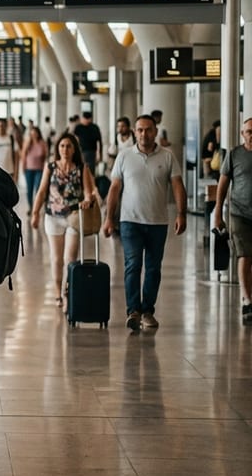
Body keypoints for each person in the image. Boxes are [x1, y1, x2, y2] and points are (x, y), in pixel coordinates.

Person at [103, 115, 186, 333]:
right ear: (134, 132)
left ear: (155, 131)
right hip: (130, 221)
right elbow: (114, 189)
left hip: (157, 222)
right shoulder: (124, 156)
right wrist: (109, 218)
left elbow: (177, 185)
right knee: (132, 265)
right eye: (139, 130)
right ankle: (133, 311)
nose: (143, 134)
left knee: (153, 268)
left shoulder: (167, 157)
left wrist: (182, 213)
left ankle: (148, 310)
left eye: (148, 130)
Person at [31, 133, 99, 307]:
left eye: (69, 146)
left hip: (74, 218)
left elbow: (89, 191)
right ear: (57, 148)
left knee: (70, 258)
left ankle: (67, 291)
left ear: (74, 148)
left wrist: (87, 200)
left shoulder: (82, 168)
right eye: (62, 146)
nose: (65, 149)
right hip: (52, 217)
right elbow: (41, 191)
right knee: (56, 258)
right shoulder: (51, 167)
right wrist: (35, 213)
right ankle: (57, 292)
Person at [214, 118, 252, 324]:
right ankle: (247, 300)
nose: (251, 135)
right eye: (249, 132)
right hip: (240, 213)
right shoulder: (234, 155)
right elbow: (223, 184)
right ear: (242, 133)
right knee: (244, 256)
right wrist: (218, 211)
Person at [19, 126, 49, 213]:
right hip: (29, 169)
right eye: (32, 134)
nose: (34, 135)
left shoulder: (42, 143)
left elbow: (46, 156)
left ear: (38, 134)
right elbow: (23, 155)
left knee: (38, 189)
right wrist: (23, 167)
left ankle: (36, 207)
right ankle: (30, 207)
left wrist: (45, 168)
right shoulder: (27, 143)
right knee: (29, 189)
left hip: (39, 169)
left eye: (35, 133)